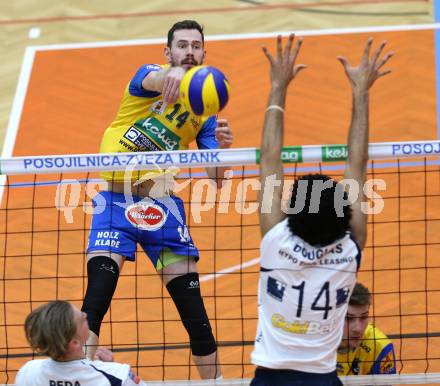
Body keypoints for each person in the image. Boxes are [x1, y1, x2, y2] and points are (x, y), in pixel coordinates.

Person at [82, 19, 232, 379]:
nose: (189, 52)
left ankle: (217, 382)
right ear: (168, 52)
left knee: (194, 315)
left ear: (204, 54)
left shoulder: (205, 115)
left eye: (196, 46)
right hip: (115, 205)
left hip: (161, 208)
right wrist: (175, 77)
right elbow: (154, 81)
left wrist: (224, 151)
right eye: (182, 45)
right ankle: (84, 374)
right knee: (96, 301)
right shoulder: (148, 75)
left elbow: (217, 180)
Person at [250, 34, 393, 386]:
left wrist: (277, 87)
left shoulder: (275, 238)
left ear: (292, 210)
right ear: (344, 215)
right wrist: (361, 91)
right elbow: (356, 165)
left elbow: (269, 158)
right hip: (322, 379)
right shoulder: (350, 248)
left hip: (270, 379)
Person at [15, 300, 141, 385]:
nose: (86, 315)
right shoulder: (120, 375)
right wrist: (109, 367)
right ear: (74, 343)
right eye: (82, 319)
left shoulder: (28, 372)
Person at [337, 282, 396, 375]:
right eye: (348, 318)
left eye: (363, 317)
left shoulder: (379, 347)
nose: (358, 328)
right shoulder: (312, 340)